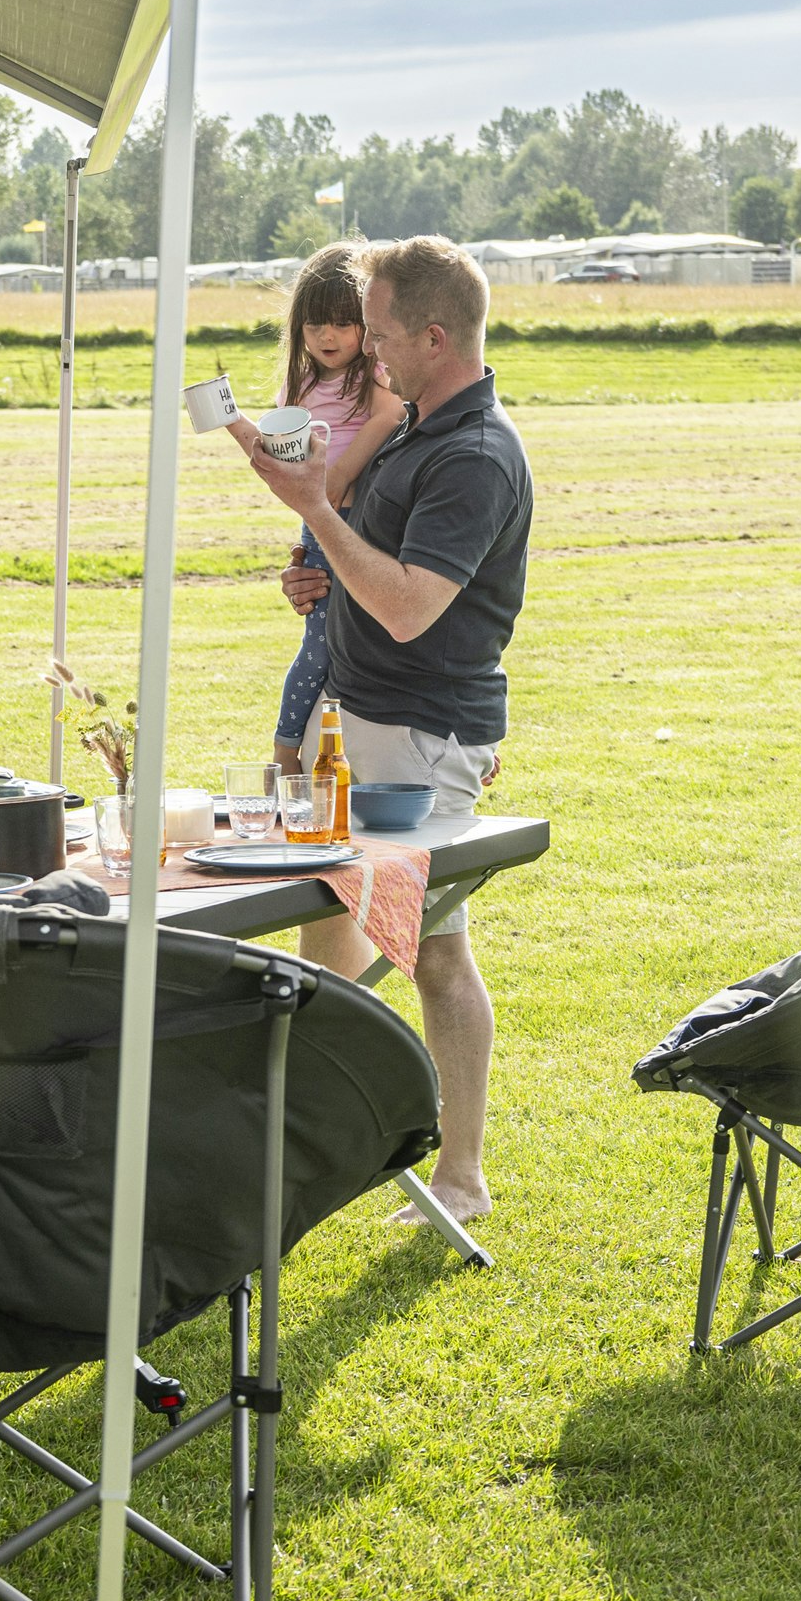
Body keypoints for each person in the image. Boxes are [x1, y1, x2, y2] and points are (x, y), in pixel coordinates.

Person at [230, 235, 532, 1229]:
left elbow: (407, 607)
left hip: (418, 739)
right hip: (361, 721)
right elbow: (368, 566)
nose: (367, 348)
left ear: (434, 338)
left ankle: (432, 1171)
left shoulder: (473, 457)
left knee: (402, 951)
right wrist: (312, 574)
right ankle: (340, 1163)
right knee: (359, 944)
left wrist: (316, 512)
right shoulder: (414, 430)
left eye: (382, 332)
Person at [260, 243, 407, 773]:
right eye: (315, 324)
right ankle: (286, 747)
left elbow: (388, 416)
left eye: (343, 323)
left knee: (360, 637)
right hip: (322, 524)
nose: (328, 336)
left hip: (358, 521)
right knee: (320, 641)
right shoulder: (297, 386)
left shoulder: (376, 375)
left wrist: (337, 480)